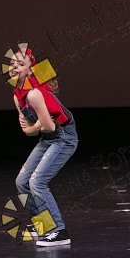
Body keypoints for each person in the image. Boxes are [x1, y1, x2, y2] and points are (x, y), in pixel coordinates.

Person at [10, 47, 78, 247]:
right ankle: (43, 225)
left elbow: (49, 126)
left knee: (37, 182)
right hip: (48, 138)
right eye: (12, 63)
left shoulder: (34, 94)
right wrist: (35, 126)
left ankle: (59, 232)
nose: (14, 67)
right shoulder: (17, 96)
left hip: (64, 137)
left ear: (30, 70)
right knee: (22, 181)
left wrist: (36, 125)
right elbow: (29, 132)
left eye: (20, 64)